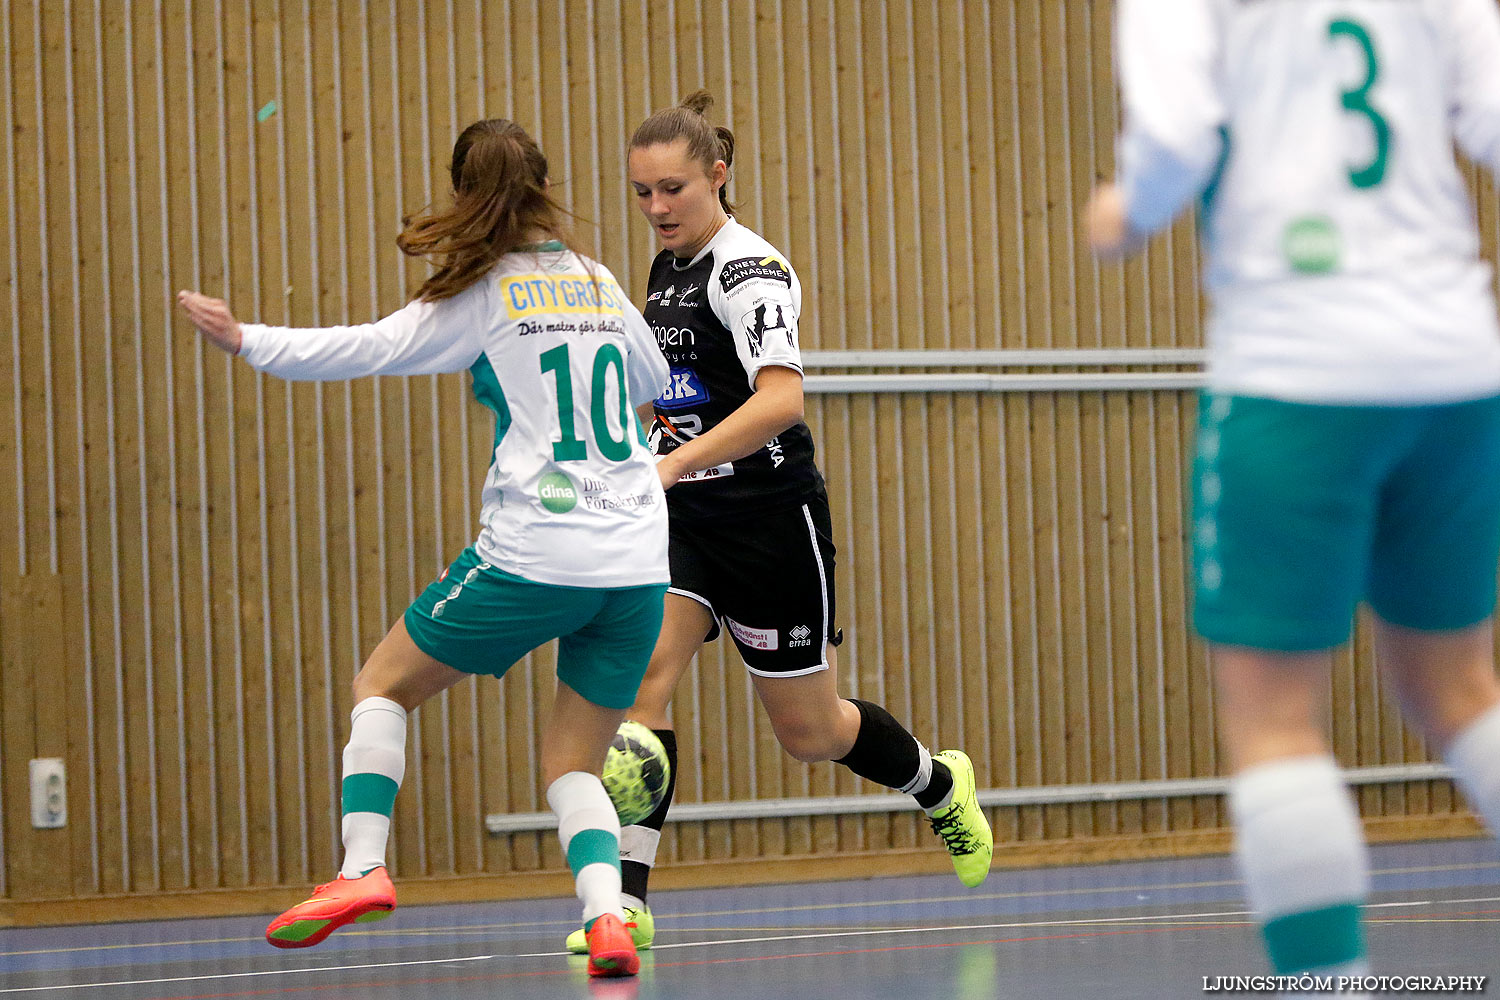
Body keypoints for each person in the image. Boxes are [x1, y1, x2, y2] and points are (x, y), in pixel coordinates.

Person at [178, 118, 672, 979]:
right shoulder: (594, 279)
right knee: (571, 764)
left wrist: (246, 339)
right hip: (635, 560)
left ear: (464, 194)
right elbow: (655, 382)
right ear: (545, 186)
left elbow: (367, 349)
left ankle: (361, 867)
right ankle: (606, 920)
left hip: (538, 550)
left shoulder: (484, 295)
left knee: (382, 684)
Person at [1089, 0, 1500, 989]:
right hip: (1453, 357)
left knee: (1273, 718)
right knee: (1463, 692)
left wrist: (1128, 209)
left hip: (1296, 363)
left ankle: (1330, 980)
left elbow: (1180, 133)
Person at [563, 91, 994, 954]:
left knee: (812, 733)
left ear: (718, 176)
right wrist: (639, 445)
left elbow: (780, 400)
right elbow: (684, 396)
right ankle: (628, 905)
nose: (656, 210)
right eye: (641, 193)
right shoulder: (666, 268)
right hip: (688, 521)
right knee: (646, 678)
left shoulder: (748, 270)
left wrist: (675, 461)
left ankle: (938, 784)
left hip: (769, 522)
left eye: (672, 190)